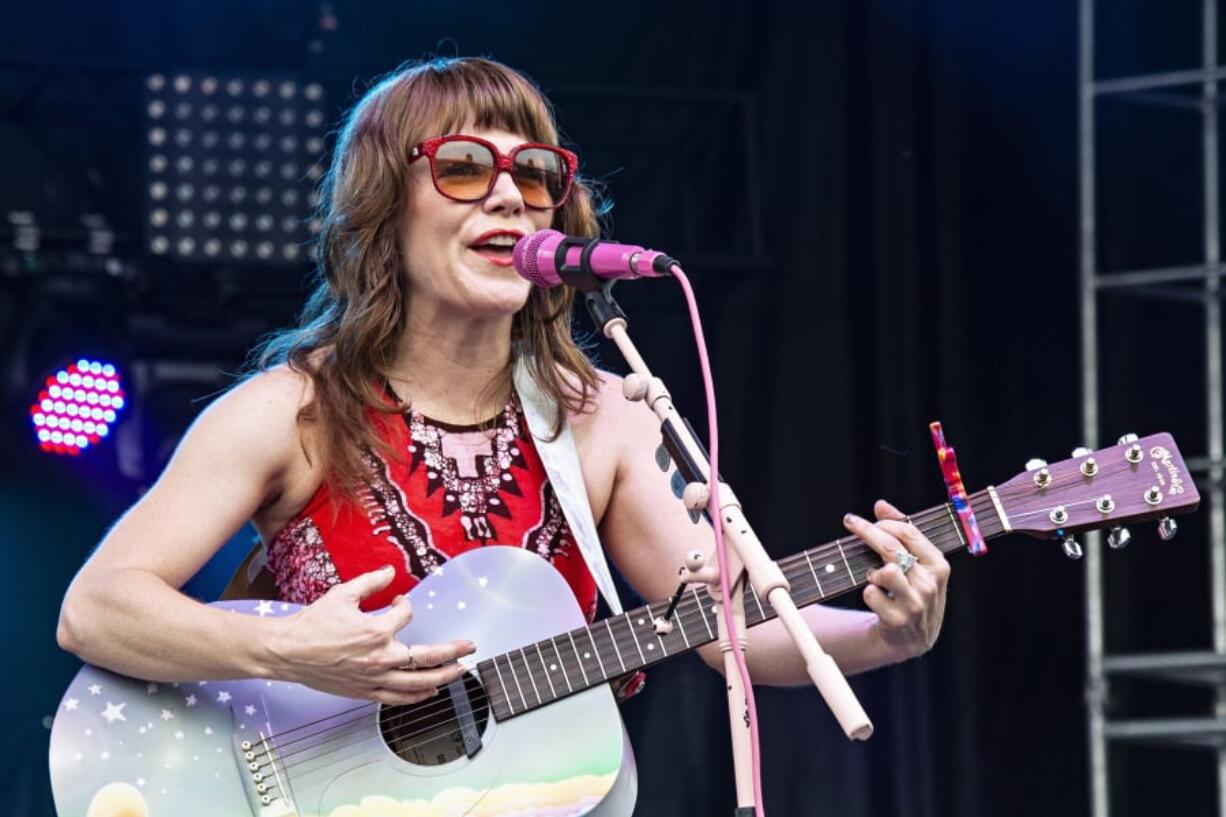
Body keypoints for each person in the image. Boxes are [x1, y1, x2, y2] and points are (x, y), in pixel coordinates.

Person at [56, 57, 949, 714]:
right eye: (462, 168)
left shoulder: (605, 420)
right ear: (383, 208)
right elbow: (96, 609)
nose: (511, 197)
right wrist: (285, 648)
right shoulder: (289, 411)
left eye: (534, 174)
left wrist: (886, 635)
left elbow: (727, 627)